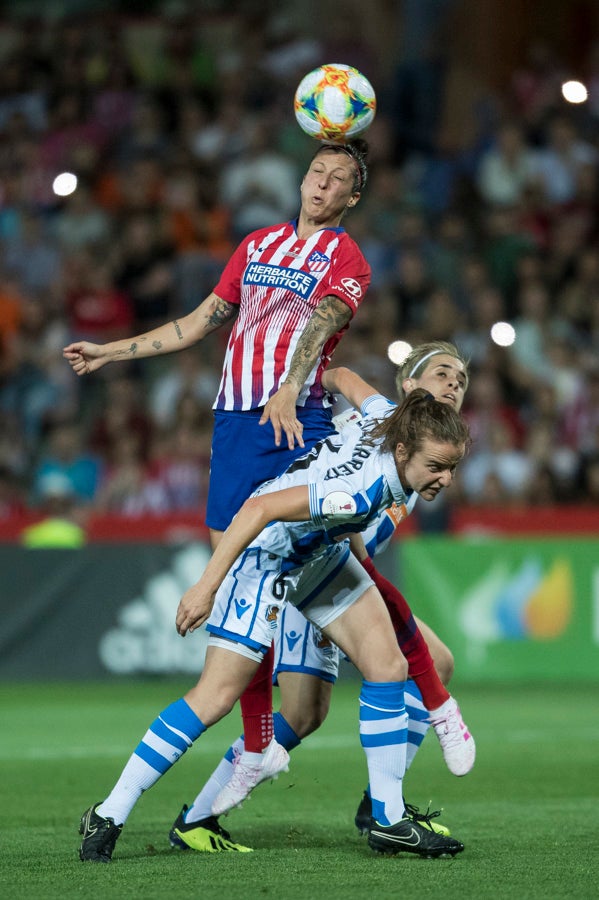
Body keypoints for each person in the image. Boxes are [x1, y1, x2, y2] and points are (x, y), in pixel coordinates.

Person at [78, 387, 470, 863]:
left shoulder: (389, 418)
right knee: (215, 697)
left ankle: (388, 820)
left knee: (388, 666)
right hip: (264, 558)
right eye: (437, 467)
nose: (446, 479)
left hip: (318, 554)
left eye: (452, 467)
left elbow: (343, 375)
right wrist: (206, 586)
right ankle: (109, 813)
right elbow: (258, 510)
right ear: (404, 451)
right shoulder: (356, 495)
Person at [169, 342, 473, 851]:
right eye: (443, 373)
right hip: (309, 568)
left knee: (319, 708)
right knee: (313, 707)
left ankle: (380, 804)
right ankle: (201, 817)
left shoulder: (431, 453)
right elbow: (336, 385)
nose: (454, 385)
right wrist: (294, 389)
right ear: (409, 384)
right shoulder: (377, 424)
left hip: (339, 573)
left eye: (461, 380)